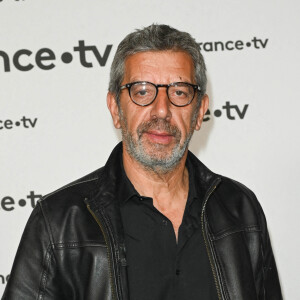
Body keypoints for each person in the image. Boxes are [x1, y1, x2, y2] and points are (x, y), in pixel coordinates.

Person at [2, 24, 282, 300]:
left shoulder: (241, 211)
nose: (162, 110)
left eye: (180, 92)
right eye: (142, 91)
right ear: (115, 109)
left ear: (199, 113)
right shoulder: (58, 223)